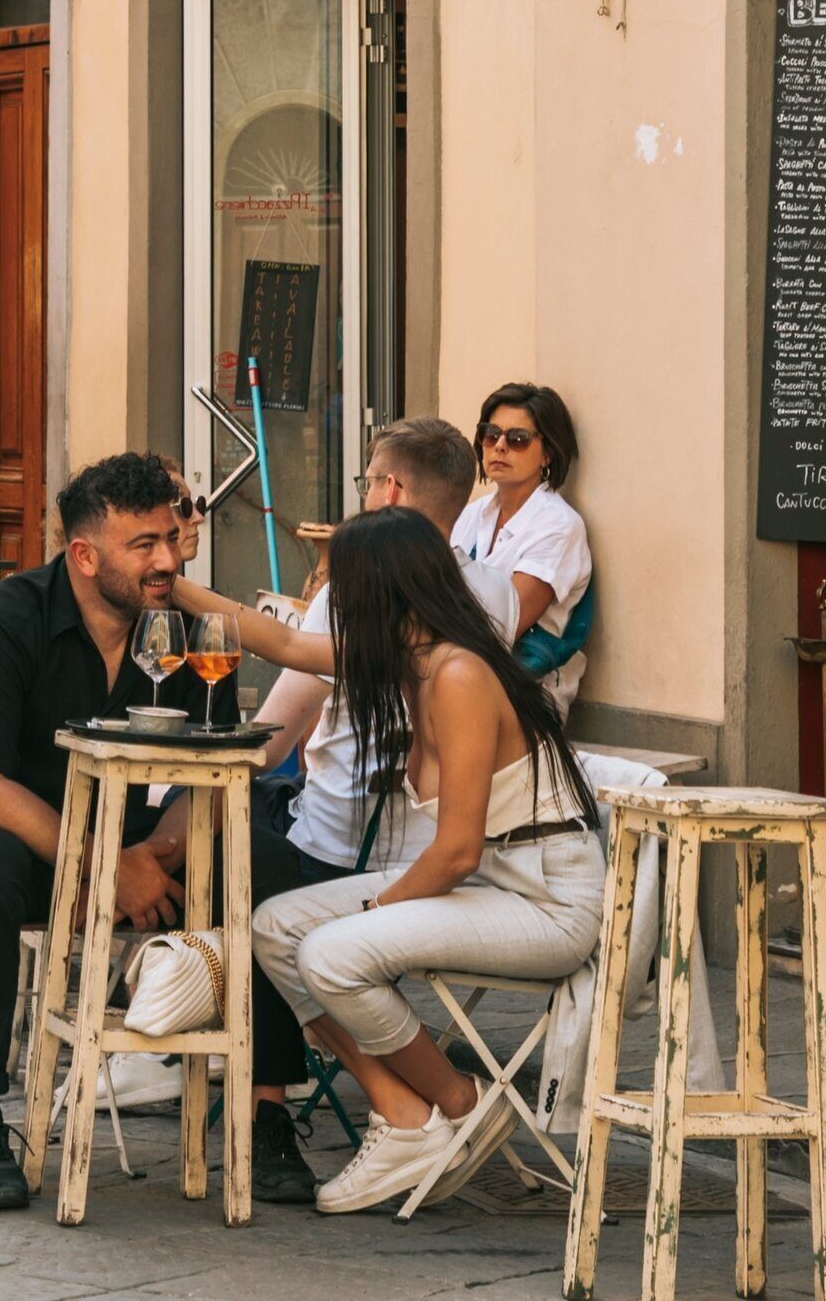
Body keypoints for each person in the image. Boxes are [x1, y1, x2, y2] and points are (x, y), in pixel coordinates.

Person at [0, 452, 329, 1213]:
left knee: (259, 858)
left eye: (170, 537)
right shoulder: (8, 617)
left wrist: (154, 856)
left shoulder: (188, 633)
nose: (167, 560)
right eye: (144, 546)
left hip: (129, 845)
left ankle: (265, 1114)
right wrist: (104, 865)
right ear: (85, 556)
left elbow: (213, 769)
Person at [205, 506, 607, 1214]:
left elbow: (453, 851)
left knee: (331, 954)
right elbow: (283, 643)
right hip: (492, 884)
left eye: (342, 588)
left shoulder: (457, 674)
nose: (333, 603)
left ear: (380, 592)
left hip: (544, 898)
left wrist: (373, 912)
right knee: (274, 927)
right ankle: (408, 1114)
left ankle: (456, 1103)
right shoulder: (408, 657)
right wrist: (169, 587)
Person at [250, 417, 513, 878]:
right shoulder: (499, 593)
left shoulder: (347, 593)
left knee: (211, 807)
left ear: (391, 489)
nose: (364, 497)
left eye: (366, 484)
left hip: (335, 849)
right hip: (438, 849)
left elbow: (270, 741)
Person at [452, 382, 599, 709]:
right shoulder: (473, 514)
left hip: (525, 699)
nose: (500, 446)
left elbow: (502, 623)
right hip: (459, 680)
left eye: (517, 439)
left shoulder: (558, 526)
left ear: (548, 452)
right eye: (491, 434)